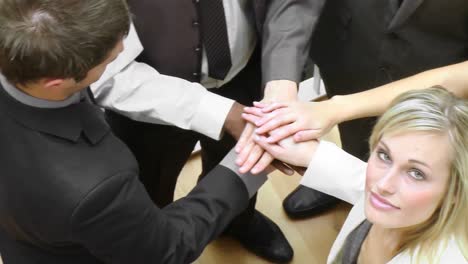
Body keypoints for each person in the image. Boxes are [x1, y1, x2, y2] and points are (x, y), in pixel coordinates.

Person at [0, 1, 269, 263]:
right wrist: (247, 165)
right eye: (108, 61)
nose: (122, 51)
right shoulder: (97, 187)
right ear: (56, 83)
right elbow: (168, 247)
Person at [90, 1, 325, 261]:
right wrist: (220, 112)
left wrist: (280, 85)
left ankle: (238, 222)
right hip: (148, 100)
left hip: (246, 72)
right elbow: (107, 73)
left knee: (241, 163)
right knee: (151, 191)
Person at [262, 0, 468, 218]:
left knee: (420, 158)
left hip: (438, 71)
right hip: (349, 43)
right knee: (354, 131)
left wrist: (336, 108)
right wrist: (281, 82)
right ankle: (352, 174)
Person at [254, 87, 468, 263]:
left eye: (416, 173)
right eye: (384, 155)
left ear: (456, 190)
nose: (382, 185)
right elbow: (355, 177)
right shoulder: (394, 205)